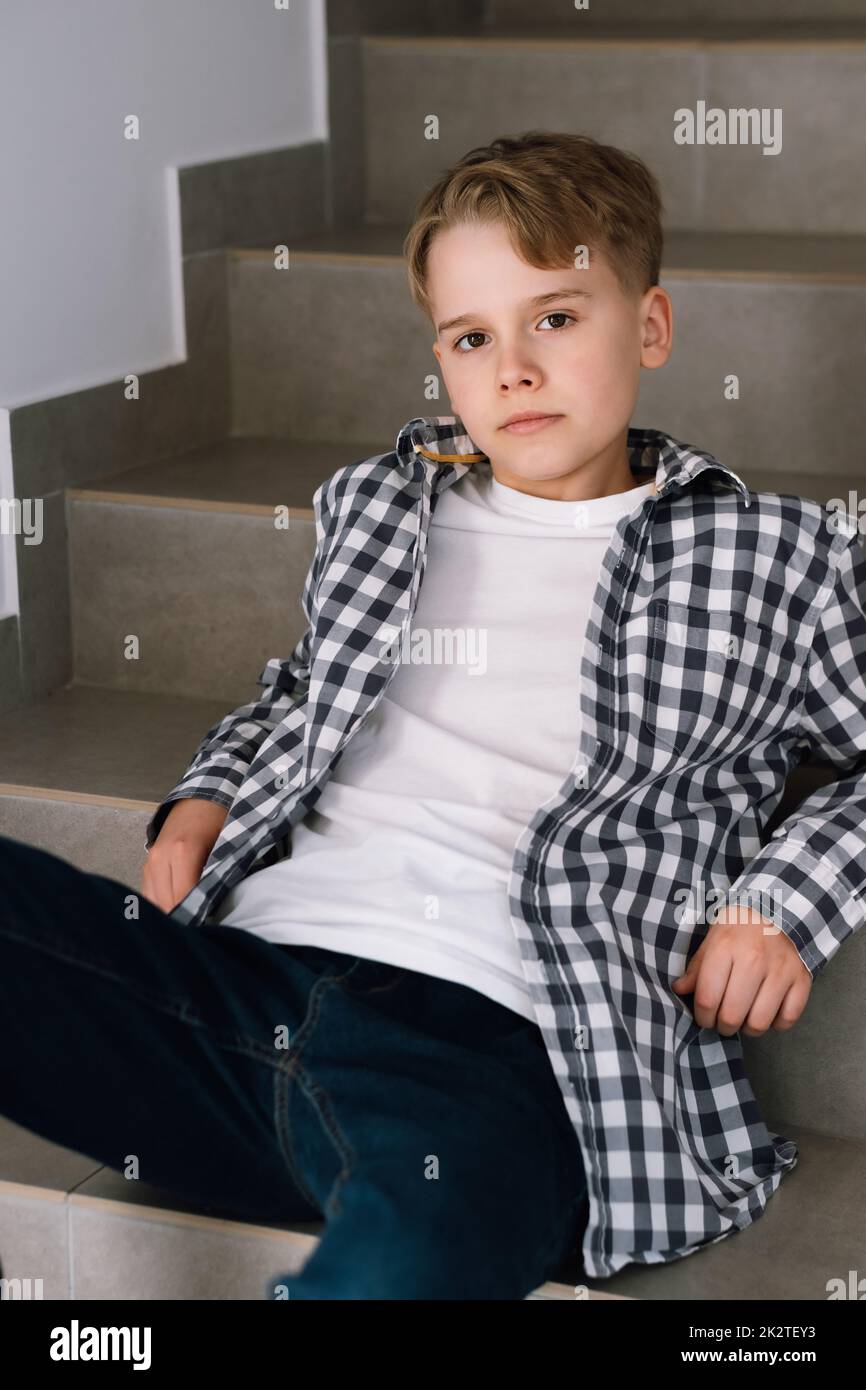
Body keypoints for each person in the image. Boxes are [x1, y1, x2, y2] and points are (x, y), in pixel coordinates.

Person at [3, 131, 865, 1300]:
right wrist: (206, 792)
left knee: (408, 1262)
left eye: (554, 318)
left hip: (497, 1048)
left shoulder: (777, 558)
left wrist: (776, 903)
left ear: (649, 327)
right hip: (241, 988)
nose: (510, 367)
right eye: (471, 336)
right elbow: (304, 686)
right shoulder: (377, 507)